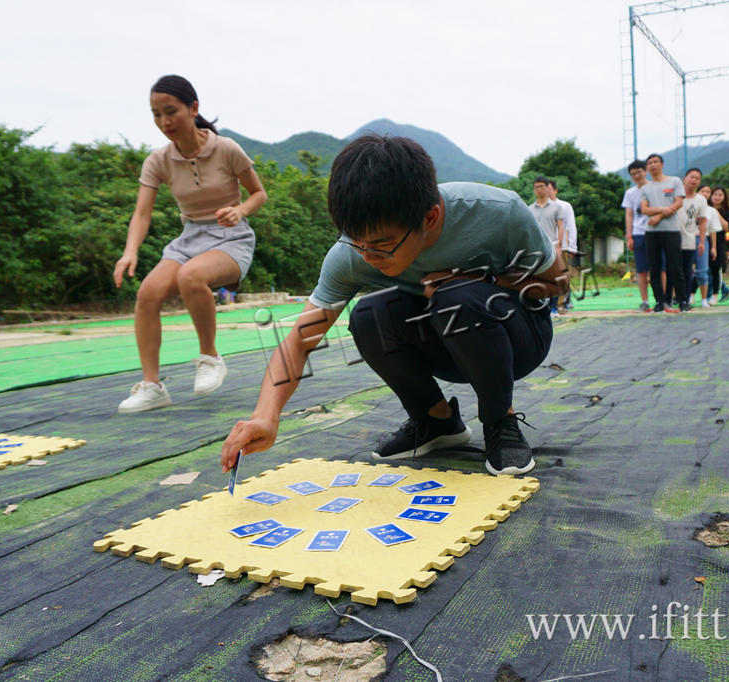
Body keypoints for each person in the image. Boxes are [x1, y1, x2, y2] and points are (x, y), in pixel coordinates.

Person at [220, 136, 568, 476]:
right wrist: (266, 415)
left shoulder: (498, 213)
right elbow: (300, 339)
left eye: (382, 246)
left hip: (518, 336)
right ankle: (436, 421)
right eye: (357, 243)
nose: (369, 258)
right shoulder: (352, 253)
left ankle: (499, 421)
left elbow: (558, 284)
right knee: (369, 315)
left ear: (429, 218)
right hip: (445, 341)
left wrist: (483, 281)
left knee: (456, 296)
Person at [113, 75, 267, 413]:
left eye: (171, 111)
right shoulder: (158, 161)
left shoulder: (226, 148)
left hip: (231, 237)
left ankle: (210, 357)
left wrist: (239, 210)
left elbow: (259, 193)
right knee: (148, 294)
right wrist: (130, 252)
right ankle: (152, 387)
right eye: (156, 114)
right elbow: (141, 214)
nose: (164, 122)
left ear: (193, 108)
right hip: (189, 239)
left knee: (191, 277)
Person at [640, 153, 686, 313]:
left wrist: (659, 215)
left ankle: (682, 301)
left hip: (671, 230)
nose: (653, 165)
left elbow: (678, 203)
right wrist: (665, 209)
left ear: (662, 164)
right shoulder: (646, 188)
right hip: (652, 232)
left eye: (656, 161)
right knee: (654, 268)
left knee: (675, 267)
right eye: (650, 163)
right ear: (647, 168)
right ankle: (659, 301)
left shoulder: (674, 181)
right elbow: (645, 209)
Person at [528, 177, 566, 315]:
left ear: (547, 187)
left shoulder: (557, 207)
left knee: (555, 277)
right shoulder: (529, 209)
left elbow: (561, 227)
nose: (539, 189)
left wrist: (559, 245)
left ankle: (554, 307)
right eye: (536, 187)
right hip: (535, 248)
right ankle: (540, 307)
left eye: (541, 186)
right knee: (537, 277)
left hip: (553, 245)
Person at [675, 168, 708, 310]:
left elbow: (703, 221)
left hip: (689, 239)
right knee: (673, 271)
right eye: (691, 177)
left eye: (697, 178)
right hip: (672, 239)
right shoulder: (676, 195)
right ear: (685, 178)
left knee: (687, 272)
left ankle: (685, 301)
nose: (694, 180)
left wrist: (701, 242)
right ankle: (672, 299)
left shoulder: (701, 200)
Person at [622, 160, 652, 312]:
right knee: (641, 269)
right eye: (633, 174)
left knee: (661, 269)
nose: (636, 175)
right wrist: (630, 236)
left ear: (645, 171)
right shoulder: (630, 193)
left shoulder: (654, 188)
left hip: (656, 231)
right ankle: (645, 301)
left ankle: (665, 299)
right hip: (638, 233)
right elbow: (629, 214)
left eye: (639, 172)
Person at [548, 180, 577, 312]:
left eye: (549, 189)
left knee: (563, 276)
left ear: (555, 190)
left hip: (562, 246)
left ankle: (562, 304)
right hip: (547, 247)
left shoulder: (564, 206)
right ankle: (553, 304)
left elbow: (571, 226)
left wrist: (572, 246)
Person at [705, 186, 729, 304]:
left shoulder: (726, 211)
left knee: (716, 269)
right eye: (715, 194)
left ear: (724, 197)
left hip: (720, 243)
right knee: (706, 270)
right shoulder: (704, 207)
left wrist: (716, 213)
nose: (717, 197)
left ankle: (714, 294)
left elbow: (727, 227)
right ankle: (724, 290)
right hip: (705, 240)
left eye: (720, 195)